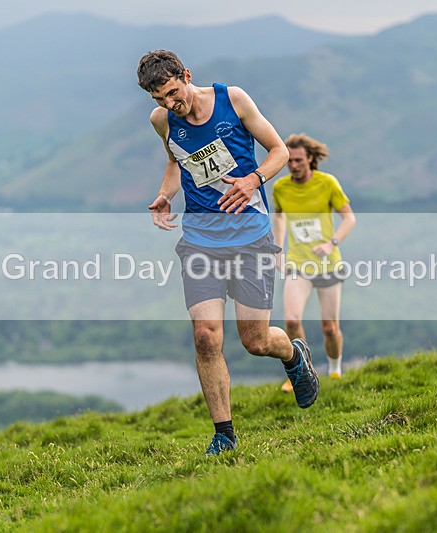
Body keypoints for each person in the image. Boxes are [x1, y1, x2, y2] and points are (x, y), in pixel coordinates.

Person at [137, 50, 320, 456]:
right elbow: (175, 161)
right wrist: (165, 196)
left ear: (186, 75)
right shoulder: (163, 121)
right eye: (159, 100)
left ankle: (293, 354)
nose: (170, 105)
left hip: (250, 235)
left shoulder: (233, 99)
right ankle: (224, 434)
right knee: (205, 337)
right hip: (201, 238)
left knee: (255, 340)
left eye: (172, 93)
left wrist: (254, 180)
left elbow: (278, 152)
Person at [271, 133, 356, 392]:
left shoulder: (327, 183)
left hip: (329, 264)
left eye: (298, 160)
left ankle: (334, 369)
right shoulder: (281, 188)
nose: (293, 165)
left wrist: (331, 243)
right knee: (291, 320)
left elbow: (349, 219)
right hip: (298, 264)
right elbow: (279, 218)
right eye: (289, 161)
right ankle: (300, 371)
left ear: (310, 159)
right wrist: (277, 251)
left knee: (330, 328)